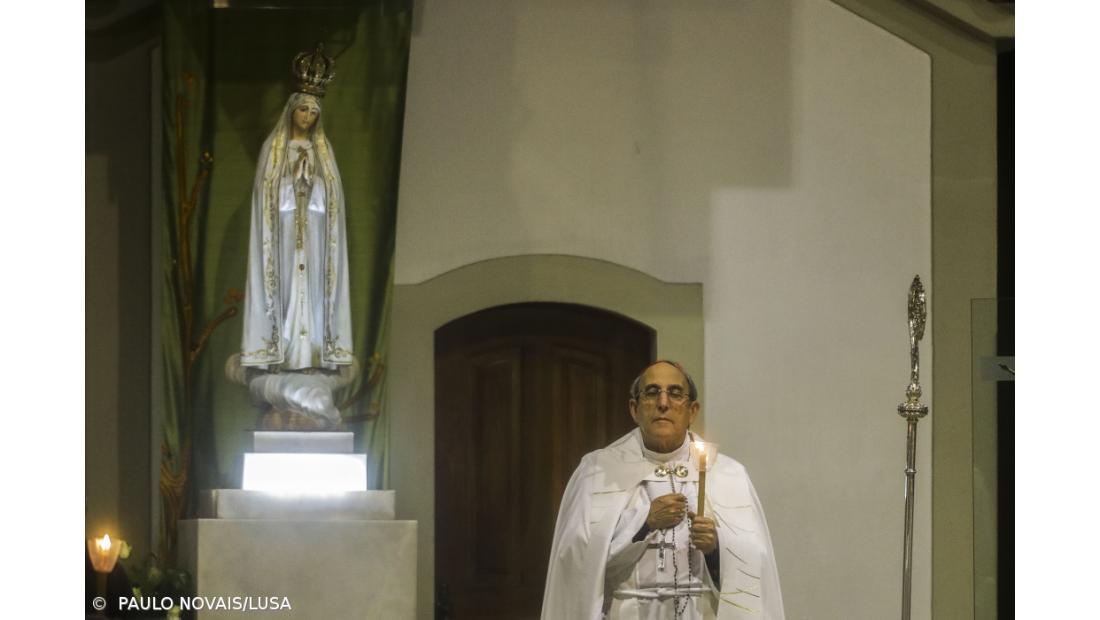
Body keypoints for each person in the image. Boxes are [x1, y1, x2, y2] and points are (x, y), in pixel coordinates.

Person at [542, 360, 784, 619]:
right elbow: (576, 564)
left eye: (675, 393)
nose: (663, 403)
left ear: (692, 411)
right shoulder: (597, 471)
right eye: (652, 392)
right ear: (634, 409)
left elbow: (755, 563)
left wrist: (716, 547)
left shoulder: (728, 474)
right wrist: (644, 523)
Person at [237, 47, 354, 429]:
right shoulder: (274, 151)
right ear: (291, 112)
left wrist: (312, 183)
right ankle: (283, 355)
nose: (307, 117)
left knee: (313, 295)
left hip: (315, 238)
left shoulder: (323, 152)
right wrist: (292, 183)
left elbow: (332, 202)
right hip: (284, 239)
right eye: (303, 110)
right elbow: (265, 198)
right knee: (286, 292)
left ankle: (313, 357)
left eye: (313, 112)